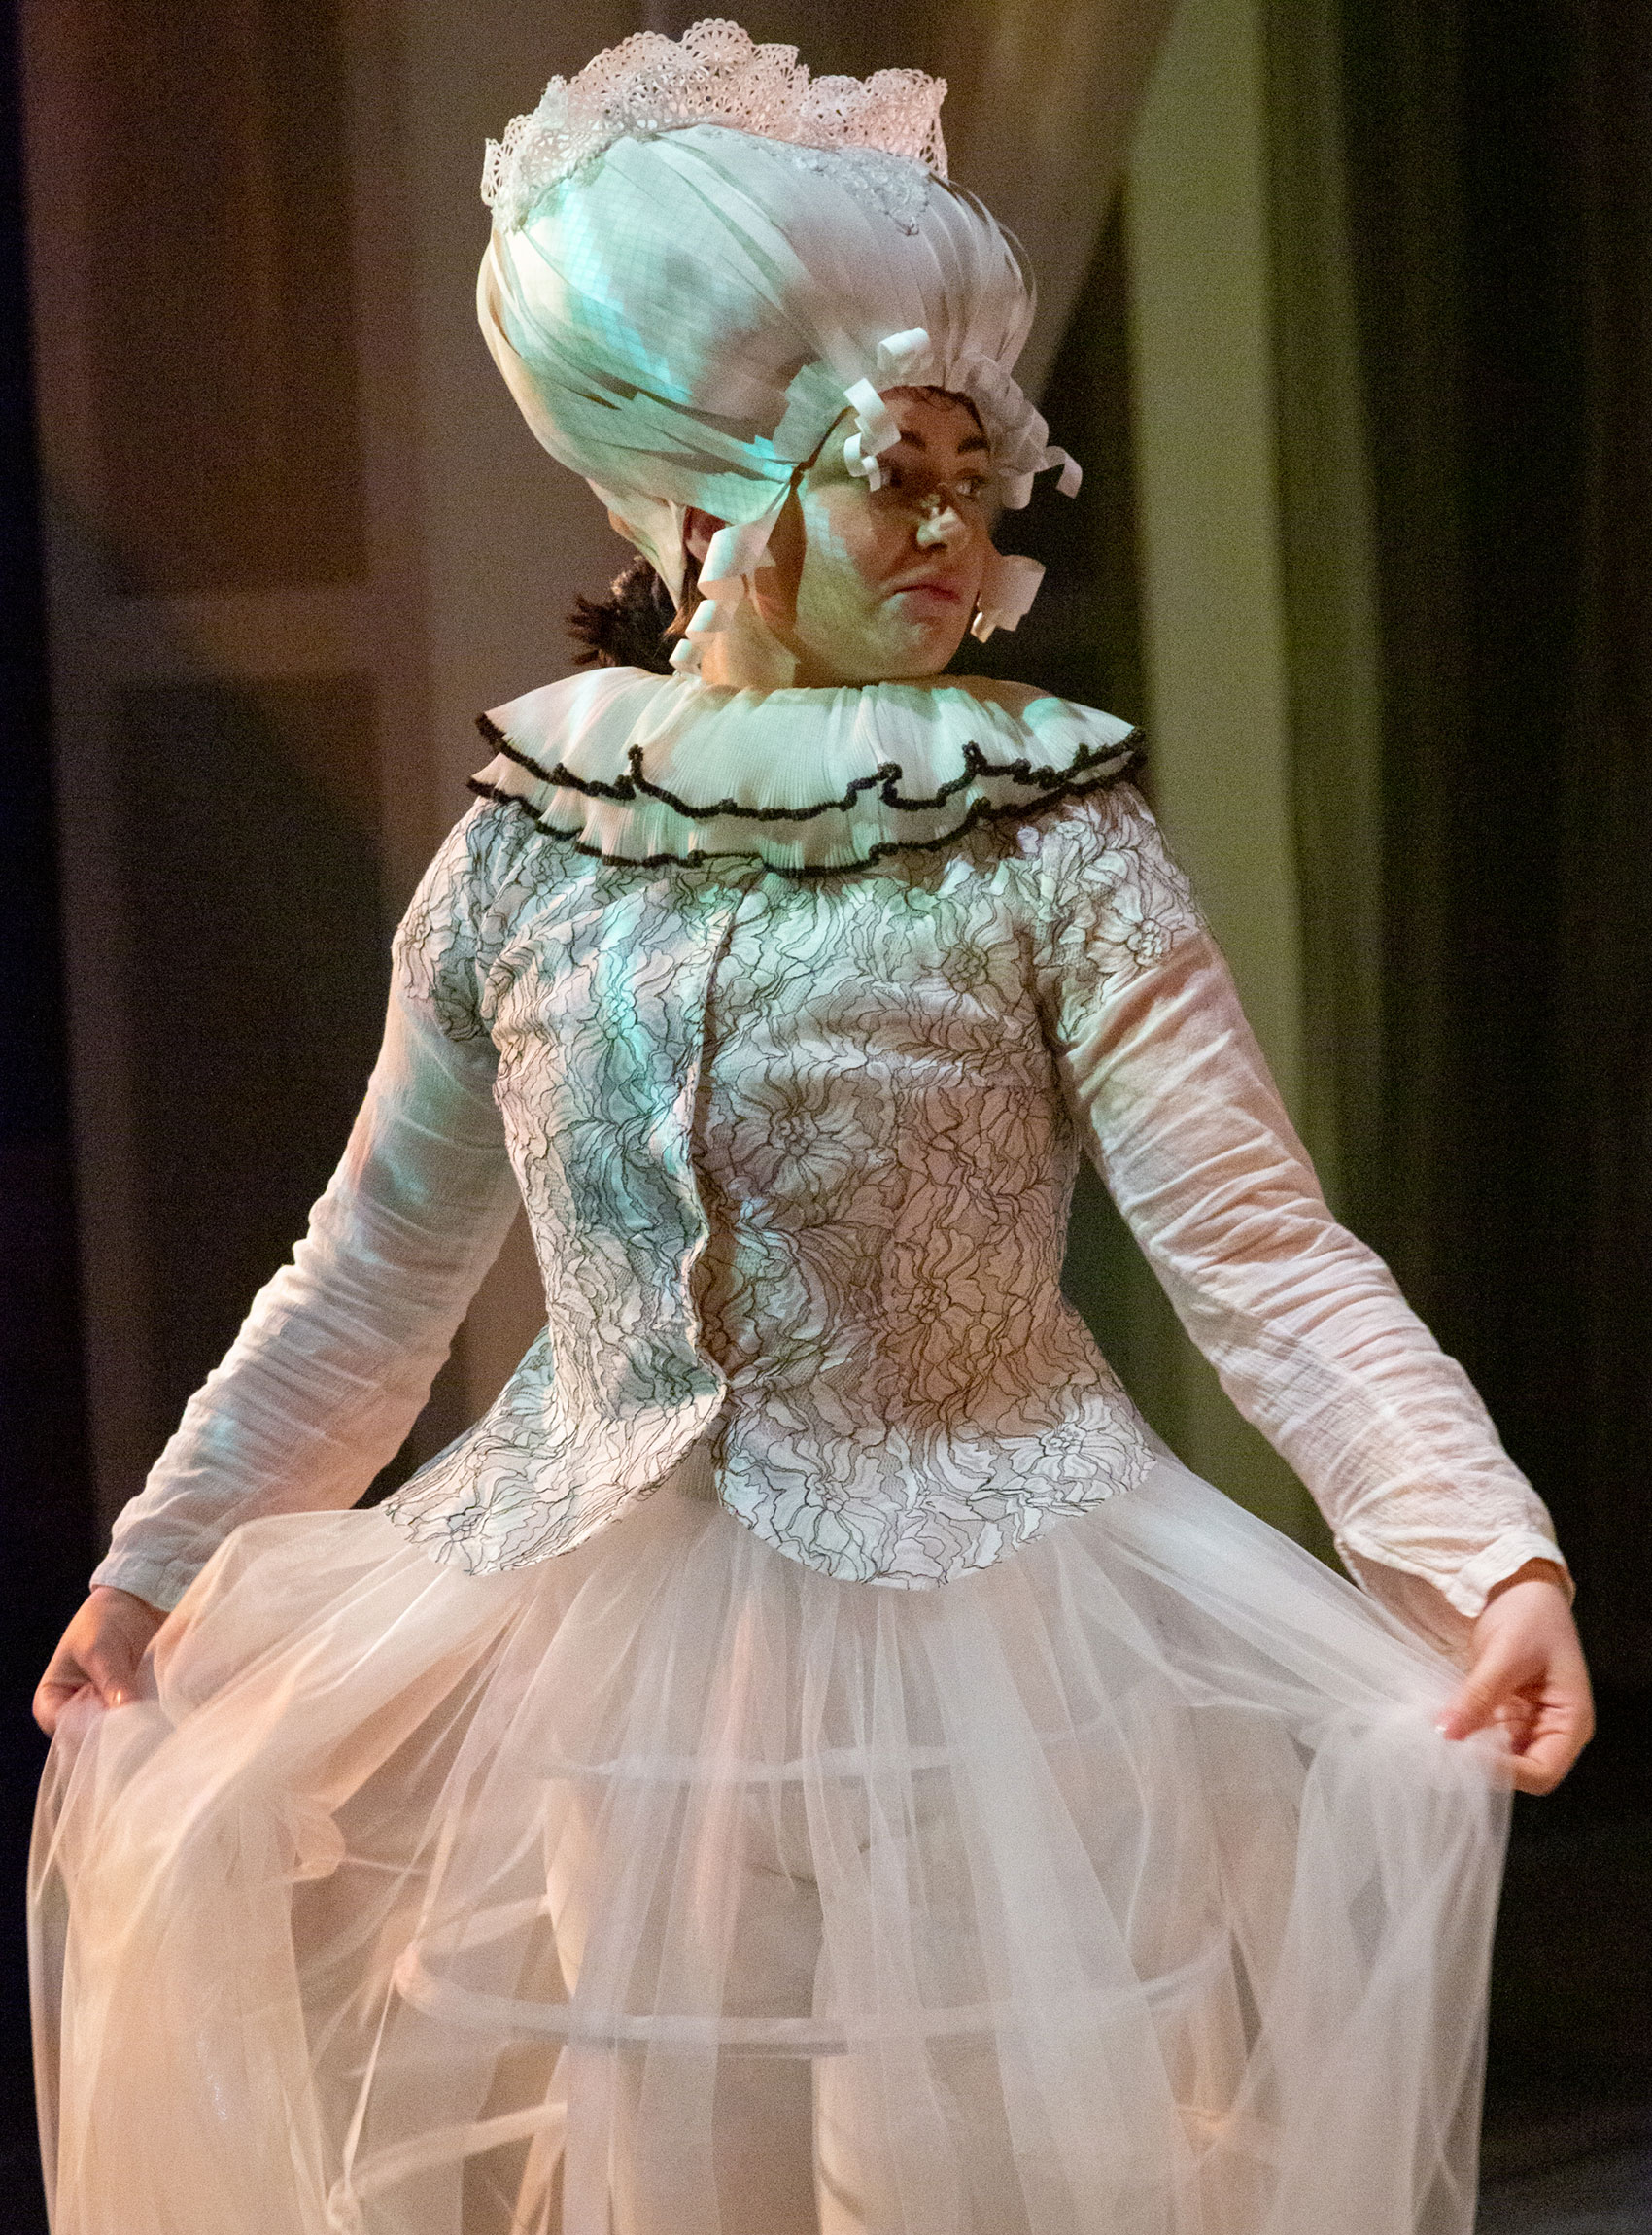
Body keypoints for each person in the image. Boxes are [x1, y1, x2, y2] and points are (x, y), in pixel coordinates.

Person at [30, 23, 1592, 2235]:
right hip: (621, 1657)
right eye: (900, 476)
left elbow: (1261, 1247)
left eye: (981, 478)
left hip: (992, 1640)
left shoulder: (1043, 837)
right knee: (683, 2175)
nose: (959, 533)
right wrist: (164, 1557)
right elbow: (372, 1270)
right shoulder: (527, 852)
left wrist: (1479, 1546)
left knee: (988, 2178)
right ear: (718, 500)